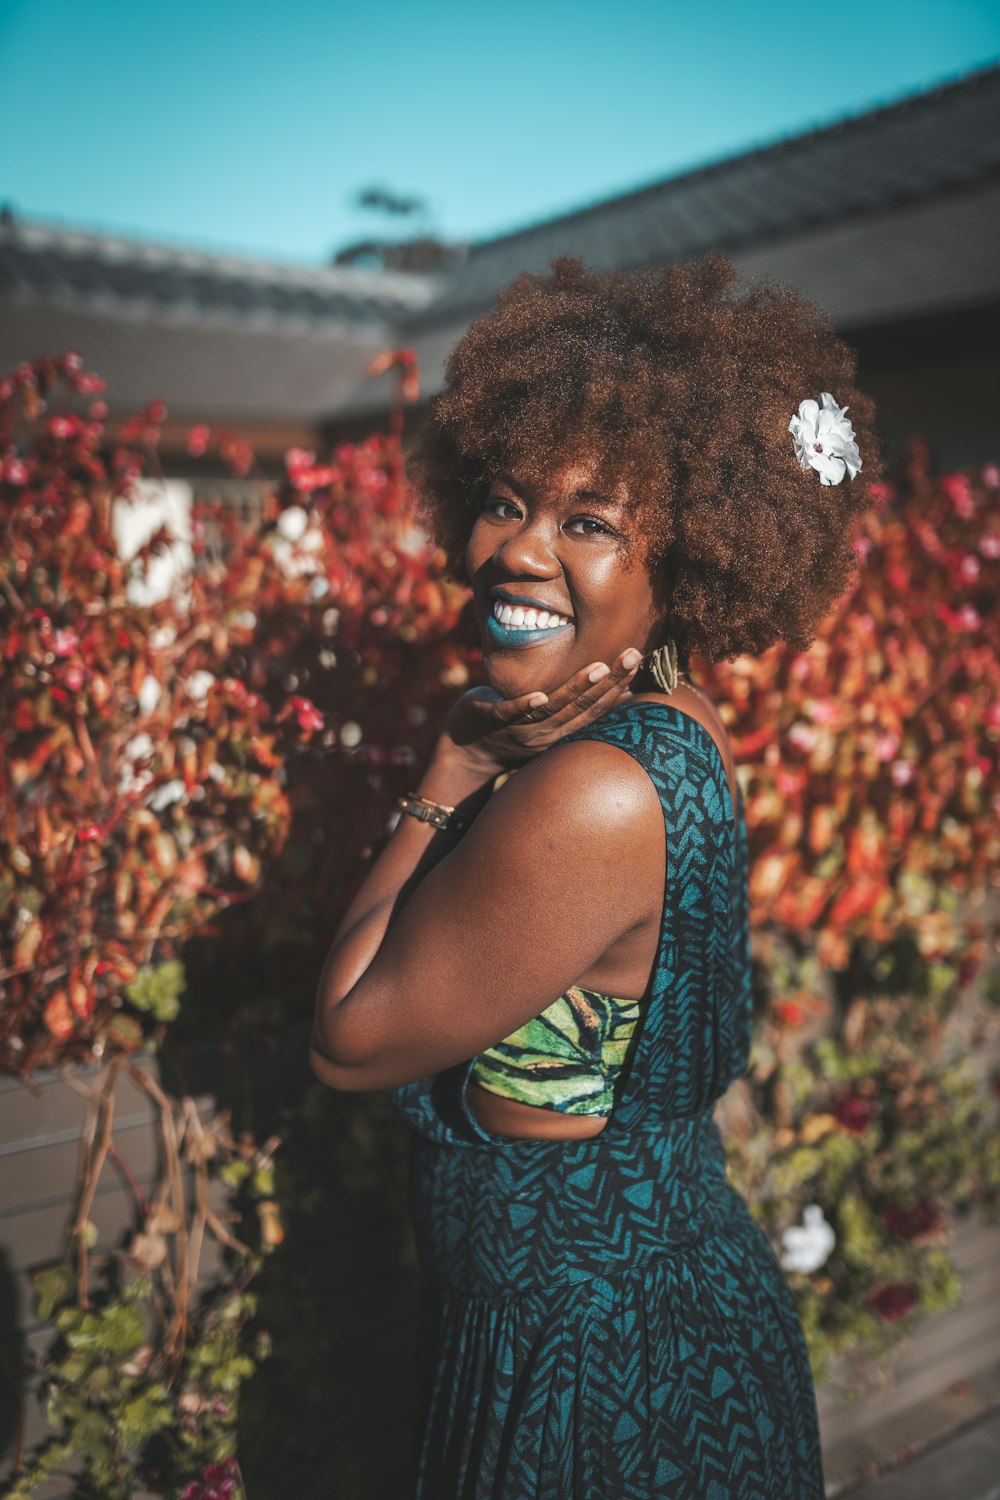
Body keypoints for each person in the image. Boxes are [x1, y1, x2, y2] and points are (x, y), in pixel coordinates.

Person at [309, 253, 877, 1499]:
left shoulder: (591, 789)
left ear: (689, 562)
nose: (516, 550)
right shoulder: (669, 728)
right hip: (647, 1319)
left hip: (591, 1377)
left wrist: (449, 765)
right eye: (506, 500)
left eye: (589, 522)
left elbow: (348, 1039)